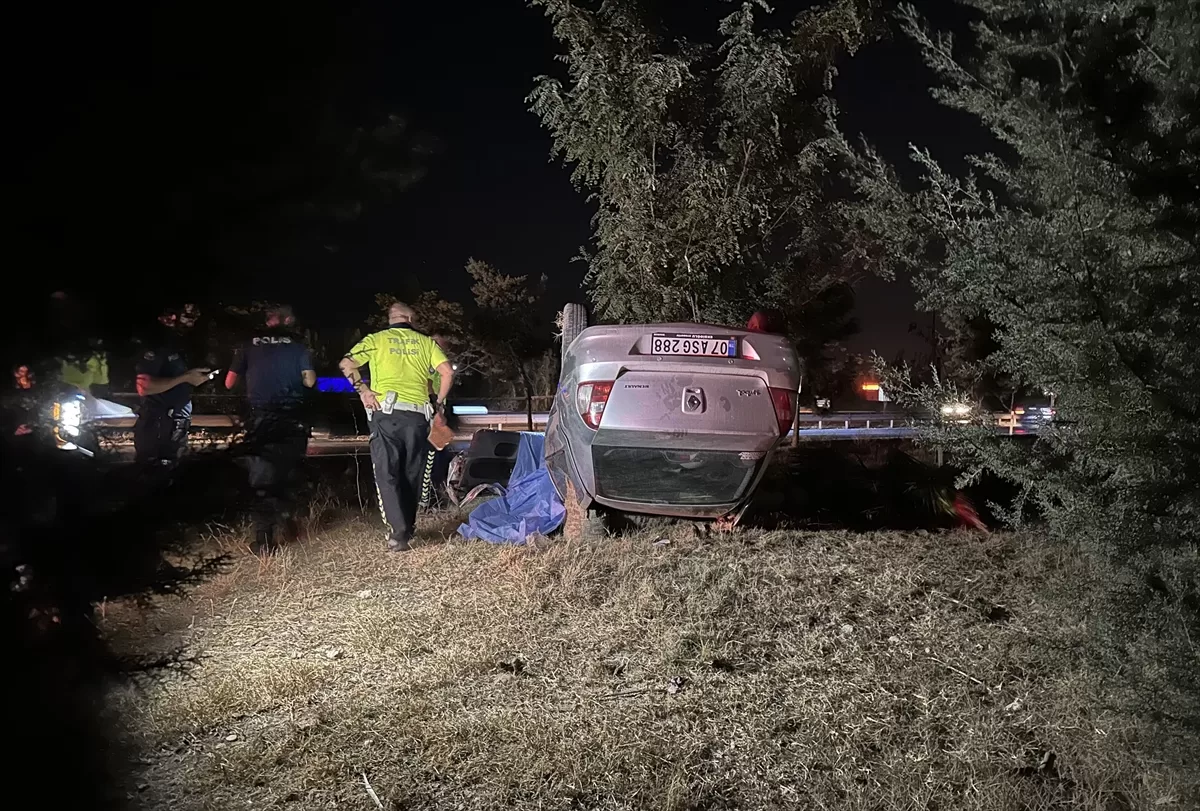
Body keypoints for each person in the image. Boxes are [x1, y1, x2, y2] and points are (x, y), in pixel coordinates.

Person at [339, 301, 453, 552]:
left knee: (387, 473)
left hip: (385, 415)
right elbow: (447, 372)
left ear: (391, 319)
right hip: (418, 417)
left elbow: (346, 364)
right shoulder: (425, 343)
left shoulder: (376, 339)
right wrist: (439, 404)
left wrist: (364, 391)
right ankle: (407, 527)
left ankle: (398, 532)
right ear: (411, 319)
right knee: (412, 474)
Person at [225, 305, 316, 555]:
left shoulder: (247, 344)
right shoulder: (298, 345)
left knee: (262, 476)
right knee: (289, 471)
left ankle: (264, 540)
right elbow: (310, 380)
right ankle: (290, 524)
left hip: (260, 418)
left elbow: (229, 381)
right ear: (286, 320)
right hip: (292, 417)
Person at [133, 304, 212, 467]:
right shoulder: (156, 345)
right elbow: (144, 386)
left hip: (177, 423)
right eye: (188, 318)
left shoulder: (179, 345)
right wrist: (185, 378)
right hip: (158, 425)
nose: (192, 324)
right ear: (169, 318)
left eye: (195, 319)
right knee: (153, 476)